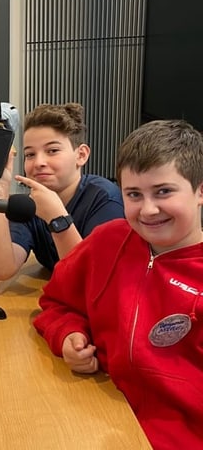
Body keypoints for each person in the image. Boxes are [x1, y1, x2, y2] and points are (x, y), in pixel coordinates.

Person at [33, 120, 203, 449]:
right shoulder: (107, 241)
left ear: (199, 191)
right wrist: (69, 334)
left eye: (164, 191)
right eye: (134, 194)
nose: (149, 209)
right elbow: (56, 303)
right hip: (100, 412)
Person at [0, 103, 124, 280]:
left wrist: (57, 218)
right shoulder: (31, 204)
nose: (39, 162)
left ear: (81, 155)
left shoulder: (105, 200)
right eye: (30, 154)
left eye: (52, 151)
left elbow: (92, 281)